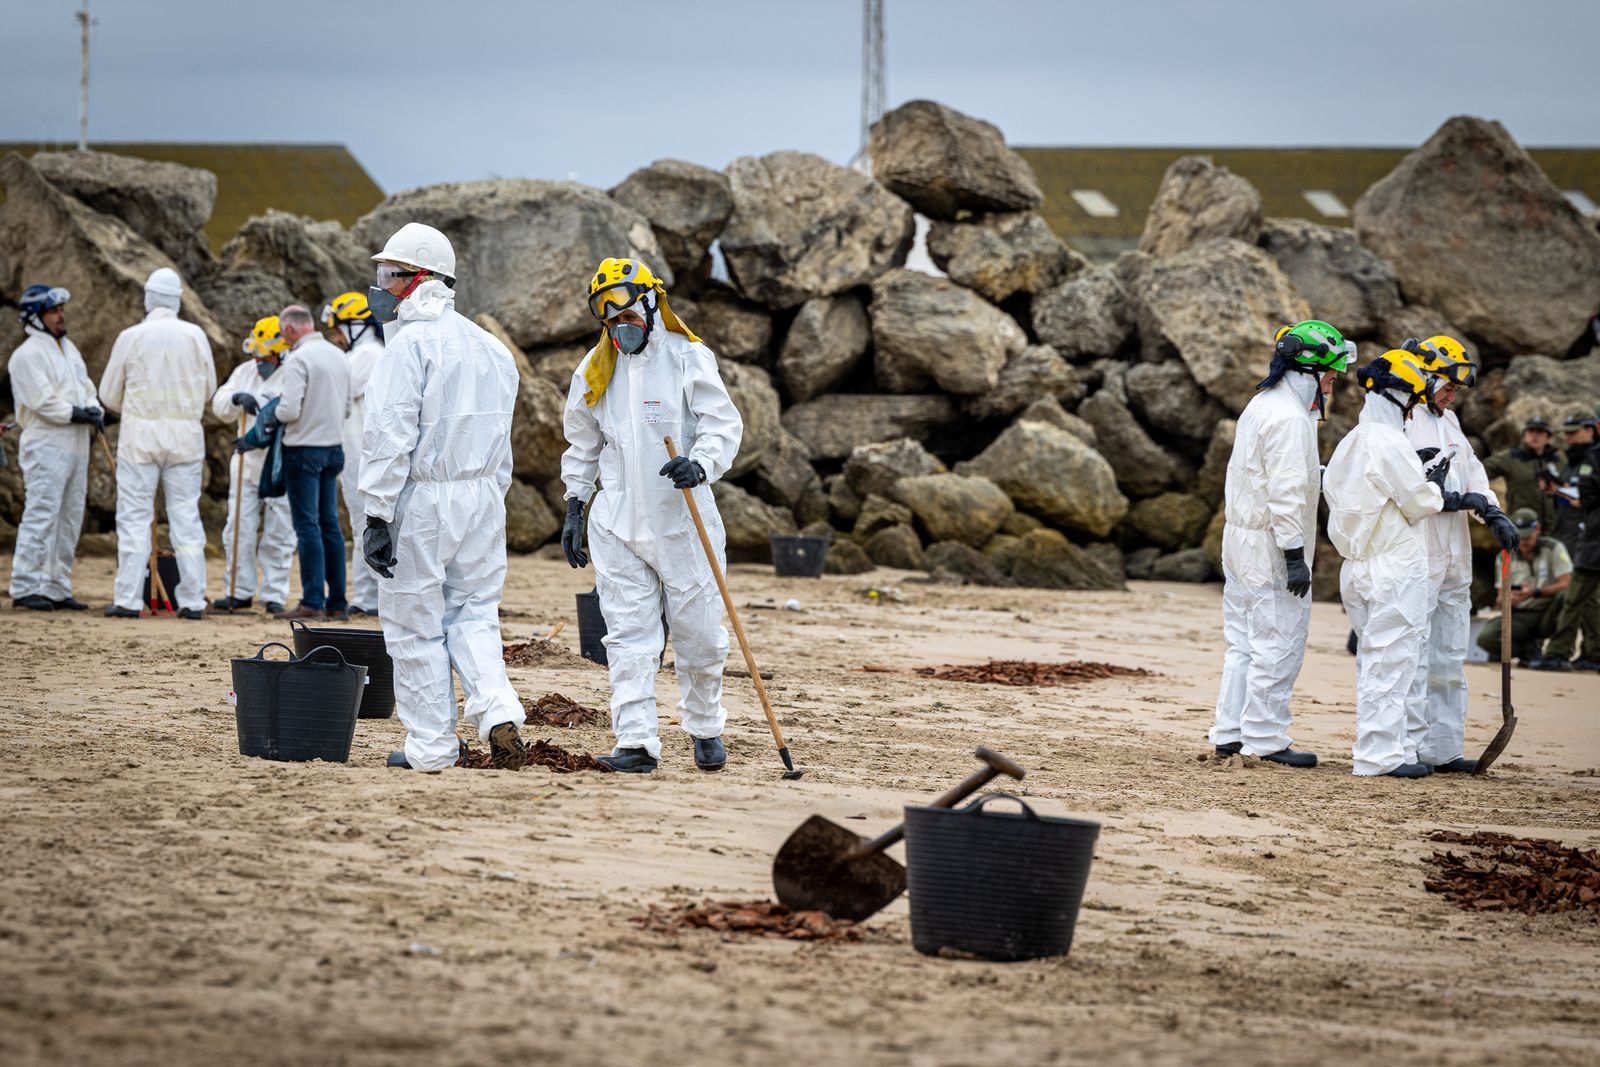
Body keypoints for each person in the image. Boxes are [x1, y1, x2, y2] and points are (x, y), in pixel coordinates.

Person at [561, 257, 744, 774]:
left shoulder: (688, 357)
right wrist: (576, 504)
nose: (619, 322)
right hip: (617, 523)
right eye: (606, 313)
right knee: (627, 635)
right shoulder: (595, 369)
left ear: (649, 301)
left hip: (682, 521)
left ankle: (705, 725)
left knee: (701, 633)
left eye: (625, 308)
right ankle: (636, 741)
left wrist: (701, 463)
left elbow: (722, 424)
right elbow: (582, 442)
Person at [359, 222, 527, 772]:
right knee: (474, 613)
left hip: (424, 501)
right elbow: (503, 439)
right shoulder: (492, 348)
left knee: (414, 626)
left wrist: (377, 513)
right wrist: (492, 499)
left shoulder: (409, 346)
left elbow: (389, 436)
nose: (380, 285)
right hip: (482, 499)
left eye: (390, 275)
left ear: (420, 279)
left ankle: (431, 747)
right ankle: (498, 709)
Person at [1209, 321, 1354, 767]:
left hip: (1239, 537)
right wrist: (1295, 556)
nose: (1335, 381)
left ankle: (1230, 732)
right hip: (1272, 543)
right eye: (1332, 372)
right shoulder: (1291, 419)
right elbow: (1286, 494)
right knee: (1279, 641)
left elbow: (1279, 478)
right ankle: (1265, 739)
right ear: (1310, 369)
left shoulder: (1263, 404)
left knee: (1243, 643)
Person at [1324, 352, 1474, 779]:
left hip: (1356, 565)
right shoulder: (1390, 442)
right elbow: (1421, 502)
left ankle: (1388, 748)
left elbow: (1333, 493)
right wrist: (1435, 480)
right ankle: (1379, 755)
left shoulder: (1351, 440)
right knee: (1393, 663)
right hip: (1393, 567)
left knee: (1374, 659)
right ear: (1402, 398)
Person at [1400, 336, 1520, 774]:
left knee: (1450, 650)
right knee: (1413, 649)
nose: (1452, 395)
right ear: (1426, 376)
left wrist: (1494, 514)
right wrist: (1450, 498)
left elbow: (1473, 473)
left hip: (1454, 550)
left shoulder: (1448, 421)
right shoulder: (1403, 418)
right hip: (1418, 544)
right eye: (1447, 386)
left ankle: (1444, 747)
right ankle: (1408, 747)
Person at [99, 268, 216, 619]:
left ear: (149, 298)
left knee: (134, 517)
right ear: (178, 299)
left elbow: (108, 394)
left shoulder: (131, 336)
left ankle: (128, 598)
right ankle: (192, 599)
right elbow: (210, 388)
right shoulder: (195, 335)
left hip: (140, 437)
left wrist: (135, 409)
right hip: (185, 437)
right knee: (186, 517)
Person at [7, 284, 102, 611]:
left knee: (71, 515)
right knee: (42, 513)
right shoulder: (27, 355)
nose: (61, 316)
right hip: (47, 441)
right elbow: (42, 401)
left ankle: (56, 585)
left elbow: (86, 387)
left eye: (61, 309)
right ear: (35, 317)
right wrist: (77, 412)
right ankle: (24, 585)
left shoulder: (70, 349)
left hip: (76, 442)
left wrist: (94, 408)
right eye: (53, 311)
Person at [270, 305, 352, 621]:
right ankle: (338, 602)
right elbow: (345, 408)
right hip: (333, 447)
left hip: (303, 448)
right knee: (329, 523)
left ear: (290, 329)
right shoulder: (338, 355)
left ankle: (312, 600)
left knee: (307, 525)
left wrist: (271, 412)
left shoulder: (299, 359)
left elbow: (289, 410)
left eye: (282, 333)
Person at [210, 316, 295, 614]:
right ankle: (238, 590)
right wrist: (235, 398)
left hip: (278, 462)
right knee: (238, 527)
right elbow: (218, 405)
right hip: (245, 462)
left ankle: (274, 593)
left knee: (280, 531)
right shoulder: (244, 372)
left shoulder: (293, 372)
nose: (260, 361)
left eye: (266, 356)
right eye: (257, 355)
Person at [322, 293, 384, 616]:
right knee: (361, 527)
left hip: (363, 455)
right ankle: (366, 595)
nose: (336, 337)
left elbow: (332, 388)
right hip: (355, 453)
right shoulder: (361, 355)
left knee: (366, 525)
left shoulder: (367, 355)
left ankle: (371, 596)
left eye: (339, 329)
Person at [1538, 411, 1600, 671]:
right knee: (1588, 599)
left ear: (1591, 429)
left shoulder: (1592, 458)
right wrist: (1559, 490)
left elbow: (1586, 498)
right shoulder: (1578, 460)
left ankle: (1558, 652)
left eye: (1574, 432)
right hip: (1582, 536)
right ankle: (1593, 653)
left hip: (1591, 538)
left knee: (1573, 598)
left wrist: (1565, 492)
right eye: (1566, 432)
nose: (1568, 438)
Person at [1475, 509, 1572, 663]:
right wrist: (1509, 599)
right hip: (1520, 614)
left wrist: (1536, 592)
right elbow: (1500, 600)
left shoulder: (1553, 548)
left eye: (1528, 536)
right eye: (1520, 536)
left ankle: (1559, 652)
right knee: (1486, 638)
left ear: (1538, 529)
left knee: (1567, 596)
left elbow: (1567, 584)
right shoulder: (1504, 556)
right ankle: (1528, 652)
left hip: (1548, 611)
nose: (1524, 541)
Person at [1482, 416, 1565, 536]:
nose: (1534, 436)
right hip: (1521, 526)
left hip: (1555, 528)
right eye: (1531, 431)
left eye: (1540, 432)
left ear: (1548, 438)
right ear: (1524, 435)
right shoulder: (1511, 457)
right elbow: (1481, 470)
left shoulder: (1558, 460)